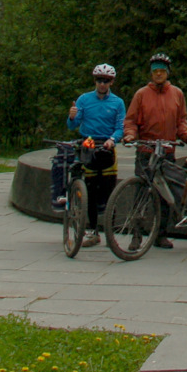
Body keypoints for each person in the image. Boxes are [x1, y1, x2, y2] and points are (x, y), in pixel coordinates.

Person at [123, 52, 187, 248]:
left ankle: (161, 234)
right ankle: (136, 235)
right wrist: (130, 135)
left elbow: (181, 120)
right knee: (141, 193)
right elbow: (131, 120)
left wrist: (186, 135)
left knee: (165, 194)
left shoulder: (177, 94)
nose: (158, 74)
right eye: (155, 71)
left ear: (168, 73)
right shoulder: (141, 95)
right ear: (150, 73)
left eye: (162, 71)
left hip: (167, 150)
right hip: (146, 151)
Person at [66, 63, 126, 247]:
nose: (102, 84)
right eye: (100, 80)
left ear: (112, 82)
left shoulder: (117, 102)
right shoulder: (84, 100)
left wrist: (113, 139)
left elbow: (120, 127)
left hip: (107, 145)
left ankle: (109, 232)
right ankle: (93, 232)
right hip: (89, 144)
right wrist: (71, 116)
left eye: (106, 81)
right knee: (90, 192)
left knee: (109, 192)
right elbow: (72, 126)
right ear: (95, 81)